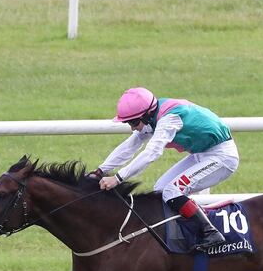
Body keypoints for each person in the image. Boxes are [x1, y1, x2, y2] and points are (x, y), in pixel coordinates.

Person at [90, 87, 239, 250]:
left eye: (133, 122)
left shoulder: (169, 119)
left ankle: (211, 233)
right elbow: (129, 146)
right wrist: (100, 170)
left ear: (146, 115)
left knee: (172, 191)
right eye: (128, 123)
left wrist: (117, 178)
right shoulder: (152, 116)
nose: (132, 128)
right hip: (203, 154)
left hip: (222, 157)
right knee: (160, 190)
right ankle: (179, 236)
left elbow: (151, 153)